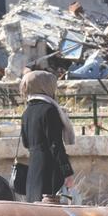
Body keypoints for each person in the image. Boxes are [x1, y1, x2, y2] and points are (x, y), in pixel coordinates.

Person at [19, 71, 76, 203]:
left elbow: (25, 142)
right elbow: (55, 145)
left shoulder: (27, 112)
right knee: (49, 208)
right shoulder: (49, 110)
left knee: (34, 208)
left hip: (33, 169)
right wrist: (67, 172)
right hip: (49, 170)